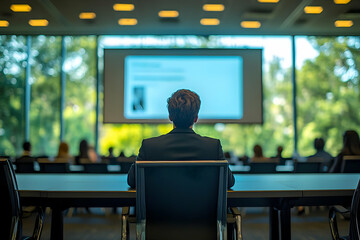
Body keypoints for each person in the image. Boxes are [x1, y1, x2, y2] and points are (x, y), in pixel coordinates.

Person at [127, 89, 235, 189]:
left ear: (170, 116)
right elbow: (229, 182)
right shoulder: (212, 147)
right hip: (201, 210)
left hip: (159, 210)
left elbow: (132, 181)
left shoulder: (149, 146)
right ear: (196, 118)